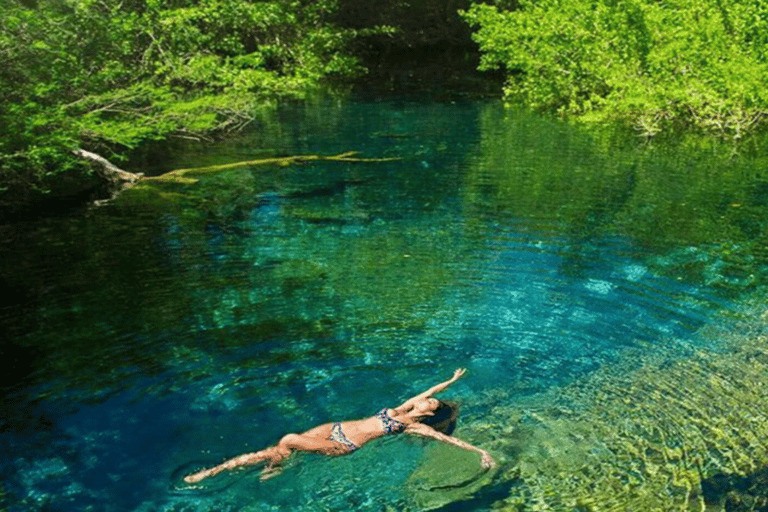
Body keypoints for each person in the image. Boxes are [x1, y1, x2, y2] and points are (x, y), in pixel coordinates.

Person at [184, 368, 496, 483]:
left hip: (342, 445)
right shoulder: (403, 407)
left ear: (428, 415)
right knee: (276, 449)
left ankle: (272, 467)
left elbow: (451, 442)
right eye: (425, 400)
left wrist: (480, 451)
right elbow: (431, 390)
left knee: (289, 439)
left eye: (429, 405)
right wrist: (452, 380)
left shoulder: (415, 427)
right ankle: (216, 472)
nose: (424, 401)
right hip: (331, 429)